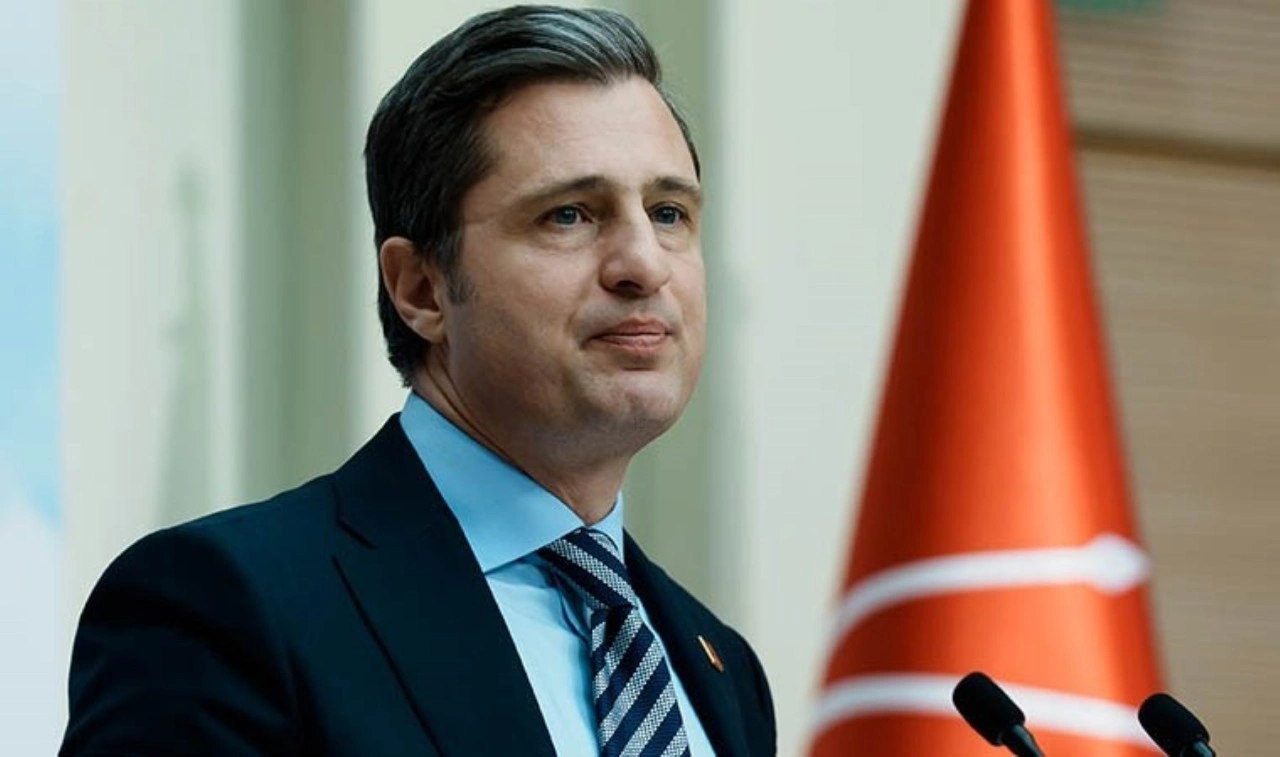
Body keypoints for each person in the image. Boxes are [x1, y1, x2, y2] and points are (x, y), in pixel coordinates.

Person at [59, 5, 775, 756]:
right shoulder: (225, 609)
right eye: (569, 215)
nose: (644, 264)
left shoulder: (721, 668)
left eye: (669, 212)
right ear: (422, 289)